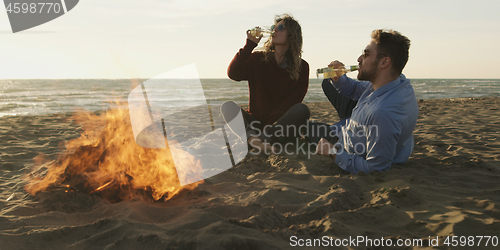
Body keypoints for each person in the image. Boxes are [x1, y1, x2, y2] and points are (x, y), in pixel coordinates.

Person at [315, 29, 418, 174]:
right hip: (350, 129)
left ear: (384, 62)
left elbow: (375, 169)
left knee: (305, 130)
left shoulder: (383, 114)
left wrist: (332, 152)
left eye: (366, 54)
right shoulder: (394, 82)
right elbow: (355, 88)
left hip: (345, 145)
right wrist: (338, 77)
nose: (359, 59)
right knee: (327, 86)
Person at [226, 13, 310, 154]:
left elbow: (291, 102)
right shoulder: (257, 59)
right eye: (273, 27)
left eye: (281, 27)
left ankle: (256, 140)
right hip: (256, 123)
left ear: (292, 35)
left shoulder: (302, 67)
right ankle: (255, 138)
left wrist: (270, 127)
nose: (274, 30)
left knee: (302, 110)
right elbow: (233, 74)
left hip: (279, 127)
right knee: (228, 107)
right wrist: (249, 46)